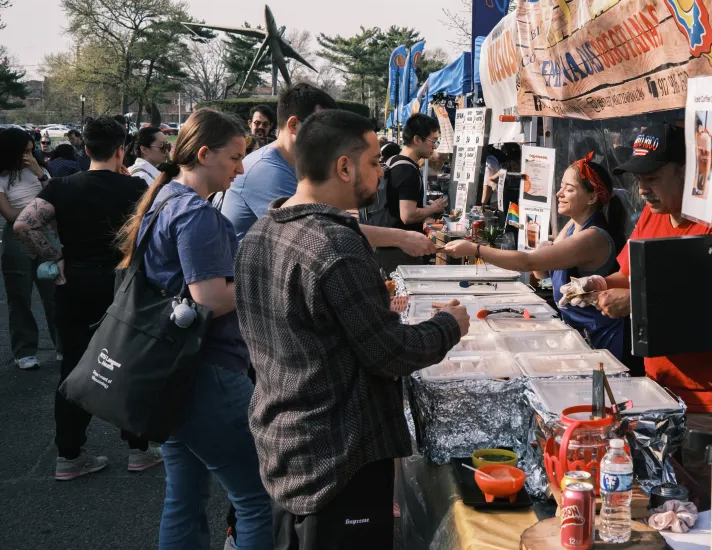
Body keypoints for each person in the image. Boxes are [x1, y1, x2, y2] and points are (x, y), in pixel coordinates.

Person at [234, 109, 469, 549]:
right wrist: (448, 325)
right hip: (337, 458)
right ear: (344, 166)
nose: (381, 173)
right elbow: (391, 353)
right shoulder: (336, 243)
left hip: (285, 443)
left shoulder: (261, 231)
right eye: (375, 162)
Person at [576, 123, 712, 506]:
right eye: (639, 179)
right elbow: (628, 272)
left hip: (710, 400)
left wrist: (637, 304)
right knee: (664, 507)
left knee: (701, 511)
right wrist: (597, 284)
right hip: (660, 392)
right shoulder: (653, 216)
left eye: (653, 178)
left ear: (687, 171)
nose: (643, 189)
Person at [116, 109, 272, 549]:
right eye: (235, 157)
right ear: (204, 154)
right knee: (258, 498)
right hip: (209, 375)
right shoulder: (196, 213)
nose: (241, 169)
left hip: (172, 373)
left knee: (183, 499)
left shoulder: (164, 200)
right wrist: (263, 279)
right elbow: (210, 300)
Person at [14, 117, 161, 480]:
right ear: (120, 149)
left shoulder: (62, 186)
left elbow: (23, 224)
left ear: (85, 147)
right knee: (128, 362)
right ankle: (138, 449)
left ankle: (69, 454)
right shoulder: (136, 187)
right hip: (121, 285)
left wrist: (54, 256)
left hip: (74, 282)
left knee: (74, 368)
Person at [445, 152, 637, 365]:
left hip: (602, 341)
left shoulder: (593, 237)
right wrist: (543, 251)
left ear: (592, 197)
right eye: (561, 186)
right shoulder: (573, 225)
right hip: (578, 333)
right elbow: (542, 272)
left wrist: (476, 250)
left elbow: (529, 263)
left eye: (569, 189)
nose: (559, 193)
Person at [222, 83, 435, 256]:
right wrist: (400, 238)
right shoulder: (267, 170)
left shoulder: (288, 165)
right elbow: (318, 229)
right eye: (321, 125)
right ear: (294, 125)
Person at [0, 127, 57, 370]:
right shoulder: (2, 177)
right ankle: (24, 350)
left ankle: (63, 345)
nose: (28, 156)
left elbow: (57, 199)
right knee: (20, 295)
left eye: (31, 151)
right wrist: (38, 214)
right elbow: (10, 214)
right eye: (23, 152)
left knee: (55, 292)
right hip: (17, 238)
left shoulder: (40, 171)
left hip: (45, 234)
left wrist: (39, 173)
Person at [375, 113, 447, 273]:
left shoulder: (393, 160)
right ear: (417, 139)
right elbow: (407, 215)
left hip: (388, 245)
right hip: (402, 249)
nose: (435, 146)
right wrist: (433, 208)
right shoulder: (408, 170)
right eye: (433, 141)